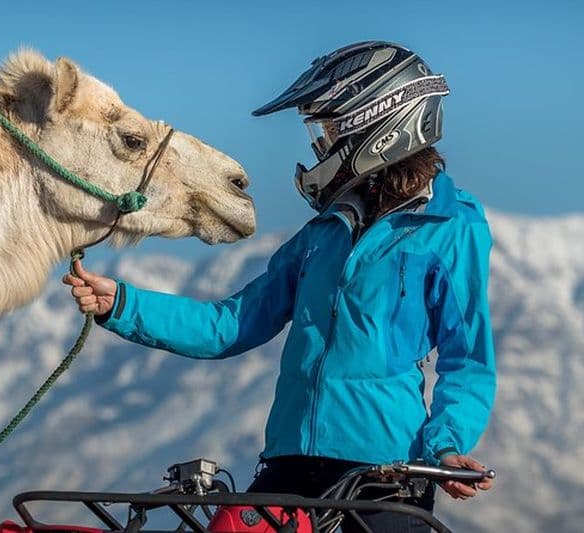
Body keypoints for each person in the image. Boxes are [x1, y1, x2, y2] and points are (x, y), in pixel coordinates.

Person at [63, 41, 496, 532]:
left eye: (330, 129)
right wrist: (119, 303)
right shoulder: (321, 234)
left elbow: (469, 361)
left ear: (379, 124)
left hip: (384, 478)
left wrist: (447, 445)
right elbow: (230, 325)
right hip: (287, 466)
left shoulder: (452, 228)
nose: (320, 144)